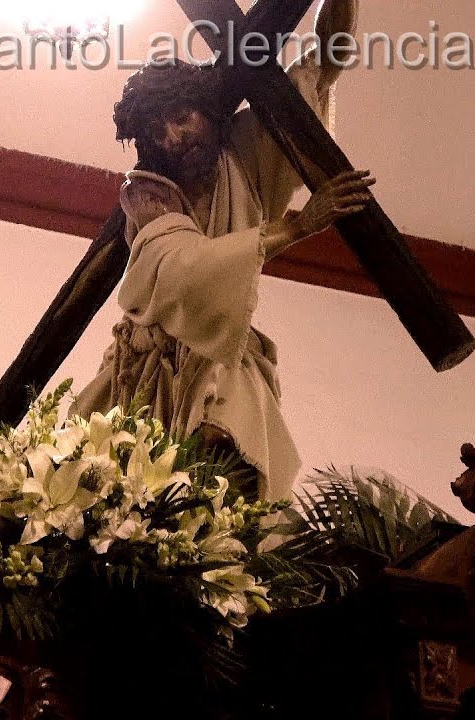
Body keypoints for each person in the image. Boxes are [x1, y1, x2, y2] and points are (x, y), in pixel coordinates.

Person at [70, 0, 372, 503]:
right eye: (156, 131)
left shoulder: (247, 149)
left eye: (181, 117)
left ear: (207, 110)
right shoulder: (147, 193)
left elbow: (323, 63)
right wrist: (294, 228)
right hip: (148, 373)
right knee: (101, 497)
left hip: (226, 354)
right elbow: (183, 270)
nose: (174, 138)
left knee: (232, 482)